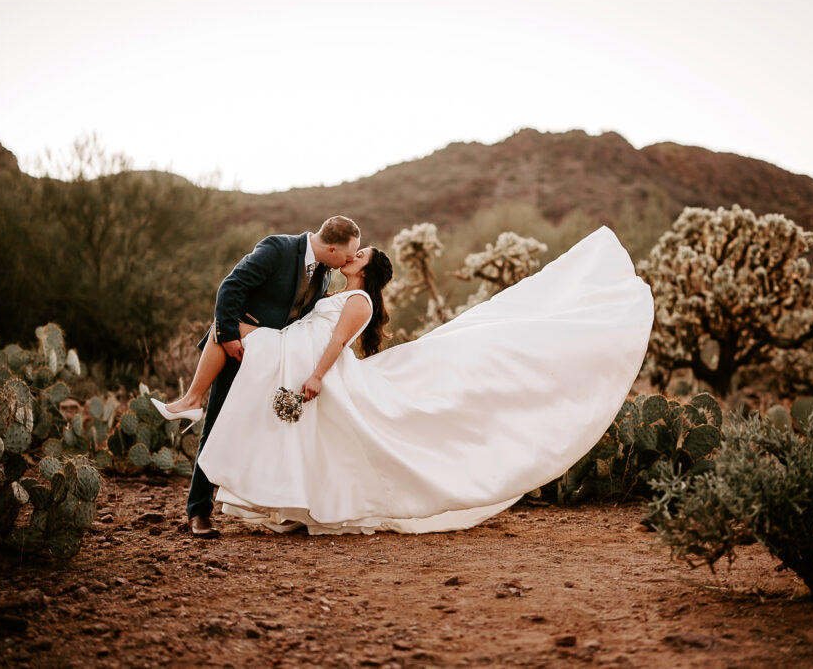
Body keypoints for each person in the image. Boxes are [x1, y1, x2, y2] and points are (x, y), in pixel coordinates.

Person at [196, 226, 654, 536]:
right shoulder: (331, 284)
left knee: (339, 440)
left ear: (364, 270)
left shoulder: (356, 298)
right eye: (353, 251)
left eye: (361, 256)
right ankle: (208, 424)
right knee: (306, 437)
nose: (353, 256)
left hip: (316, 371)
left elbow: (334, 344)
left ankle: (203, 416)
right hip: (283, 358)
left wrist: (315, 375)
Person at [154, 215, 362, 538]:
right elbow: (232, 286)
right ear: (332, 248)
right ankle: (199, 513)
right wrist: (227, 336)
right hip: (240, 351)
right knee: (217, 423)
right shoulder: (278, 248)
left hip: (275, 361)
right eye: (349, 255)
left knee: (267, 431)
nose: (350, 261)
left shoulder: (323, 274)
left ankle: (282, 508)